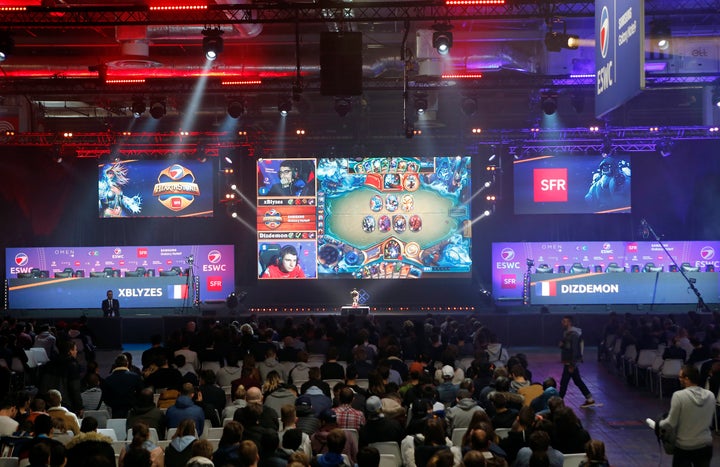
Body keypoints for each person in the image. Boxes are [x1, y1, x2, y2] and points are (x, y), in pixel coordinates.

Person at [658, 364, 715, 467]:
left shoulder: (679, 395)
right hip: (705, 444)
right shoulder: (710, 396)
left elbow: (671, 423)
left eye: (680, 377)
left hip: (685, 446)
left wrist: (659, 423)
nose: (679, 379)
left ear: (687, 378)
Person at [559, 316, 594, 408]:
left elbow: (575, 350)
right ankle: (589, 398)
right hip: (569, 361)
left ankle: (559, 401)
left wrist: (572, 364)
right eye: (562, 321)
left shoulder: (573, 335)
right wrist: (562, 346)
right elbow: (569, 347)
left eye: (565, 321)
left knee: (564, 382)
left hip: (570, 362)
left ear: (570, 323)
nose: (563, 323)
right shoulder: (567, 333)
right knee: (577, 380)